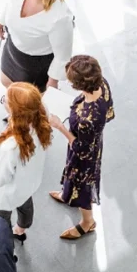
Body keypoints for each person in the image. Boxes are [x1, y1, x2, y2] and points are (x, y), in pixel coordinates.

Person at [48, 55, 114, 240]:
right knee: (71, 173)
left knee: (82, 184)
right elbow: (109, 112)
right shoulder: (102, 83)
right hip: (92, 141)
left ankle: (87, 222)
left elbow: (79, 147)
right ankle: (67, 193)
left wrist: (59, 126)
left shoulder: (88, 119)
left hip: (85, 154)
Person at [0, 83, 52, 242]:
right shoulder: (42, 118)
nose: (3, 102)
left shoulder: (11, 147)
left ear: (15, 111)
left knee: (1, 222)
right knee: (25, 204)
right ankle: (21, 229)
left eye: (5, 100)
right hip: (29, 183)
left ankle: (7, 244)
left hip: (6, 194)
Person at [0, 0, 75, 92]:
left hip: (35, 64)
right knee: (6, 81)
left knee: (29, 96)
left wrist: (52, 82)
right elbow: (10, 5)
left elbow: (62, 56)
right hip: (12, 49)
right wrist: (0, 21)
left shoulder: (59, 18)